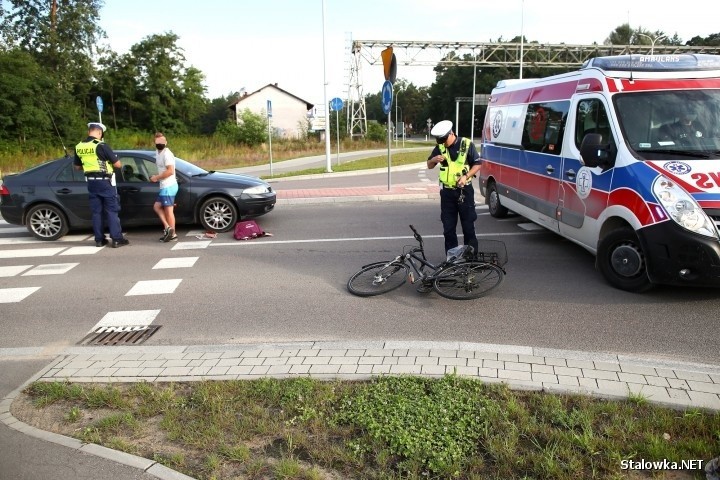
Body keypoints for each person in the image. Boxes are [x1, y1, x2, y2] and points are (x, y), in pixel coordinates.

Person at [427, 120, 482, 257]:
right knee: (448, 229)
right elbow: (429, 165)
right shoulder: (440, 147)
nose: (443, 143)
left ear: (451, 134)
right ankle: (453, 260)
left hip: (464, 192)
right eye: (440, 141)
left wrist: (466, 176)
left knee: (468, 227)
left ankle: (471, 260)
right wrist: (434, 160)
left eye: (444, 140)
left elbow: (477, 164)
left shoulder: (466, 144)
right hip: (447, 193)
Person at [73, 122, 129, 248]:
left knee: (96, 212)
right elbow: (118, 164)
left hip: (91, 183)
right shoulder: (101, 145)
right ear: (99, 133)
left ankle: (99, 240)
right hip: (105, 182)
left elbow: (77, 167)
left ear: (89, 132)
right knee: (111, 211)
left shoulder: (79, 147)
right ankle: (116, 239)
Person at [150, 132, 178, 242]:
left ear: (166, 142)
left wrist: (156, 177)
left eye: (162, 141)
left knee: (168, 211)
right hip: (164, 186)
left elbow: (170, 171)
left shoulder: (167, 154)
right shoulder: (157, 152)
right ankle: (168, 228)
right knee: (157, 207)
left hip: (168, 186)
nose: (160, 143)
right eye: (158, 142)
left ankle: (173, 234)